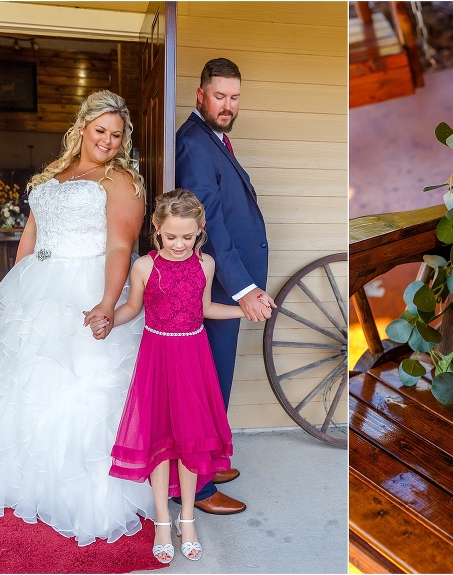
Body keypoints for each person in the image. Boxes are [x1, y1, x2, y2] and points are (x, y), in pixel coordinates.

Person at [0, 90, 155, 545]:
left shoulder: (121, 181)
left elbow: (119, 248)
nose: (107, 141)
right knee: (30, 386)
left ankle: (83, 494)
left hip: (85, 288)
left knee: (80, 385)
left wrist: (109, 301)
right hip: (39, 291)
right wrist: (17, 291)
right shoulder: (54, 172)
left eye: (116, 134)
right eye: (100, 131)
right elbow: (30, 235)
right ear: (82, 127)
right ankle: (30, 483)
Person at [94, 189, 263, 563]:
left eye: (188, 237)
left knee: (190, 440)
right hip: (157, 357)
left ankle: (187, 517)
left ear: (200, 229)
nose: (179, 244)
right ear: (156, 229)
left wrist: (243, 311)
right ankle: (162, 522)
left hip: (192, 356)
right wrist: (109, 320)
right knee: (158, 441)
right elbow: (132, 309)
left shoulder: (206, 265)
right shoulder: (144, 267)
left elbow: (203, 309)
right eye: (171, 237)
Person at [174, 57, 275, 515]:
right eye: (220, 96)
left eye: (234, 97)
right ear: (201, 95)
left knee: (219, 381)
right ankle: (196, 490)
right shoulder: (194, 144)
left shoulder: (214, 139)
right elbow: (207, 220)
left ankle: (209, 463)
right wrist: (244, 289)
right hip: (218, 287)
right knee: (206, 383)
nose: (228, 105)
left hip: (229, 285)